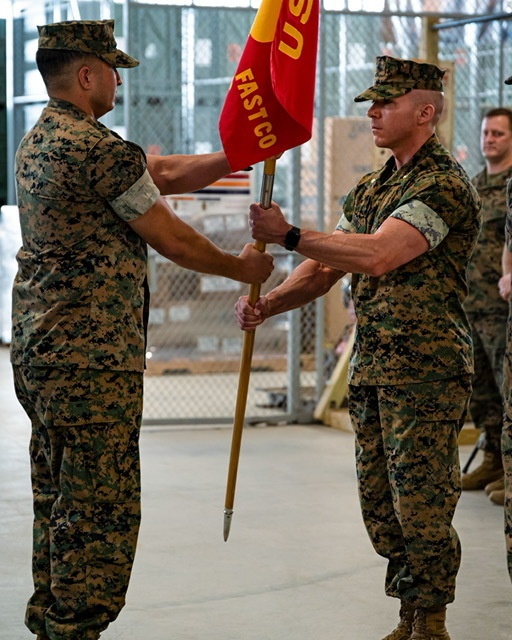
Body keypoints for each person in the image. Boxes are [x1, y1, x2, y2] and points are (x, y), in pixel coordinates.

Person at [10, 19, 273, 640]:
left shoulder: (43, 139)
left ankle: (52, 621)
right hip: (90, 356)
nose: (119, 81)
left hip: (43, 349)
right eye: (112, 70)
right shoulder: (96, 148)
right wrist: (242, 267)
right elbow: (171, 235)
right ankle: (76, 628)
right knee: (99, 507)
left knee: (59, 494)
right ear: (86, 74)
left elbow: (164, 172)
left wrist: (242, 153)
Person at [235, 55, 481, 640]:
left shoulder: (442, 184)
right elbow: (323, 268)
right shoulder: (373, 187)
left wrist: (288, 234)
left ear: (425, 113)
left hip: (425, 371)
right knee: (382, 507)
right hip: (374, 367)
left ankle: (432, 621)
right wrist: (268, 304)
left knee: (421, 504)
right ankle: (407, 614)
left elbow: (377, 254)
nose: (372, 112)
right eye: (372, 102)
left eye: (386, 103)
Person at [460, 108, 512, 504]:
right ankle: (493, 457)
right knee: (481, 391)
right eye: (486, 132)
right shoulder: (473, 186)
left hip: (503, 307)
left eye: (498, 133)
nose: (489, 139)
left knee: (508, 388)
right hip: (471, 305)